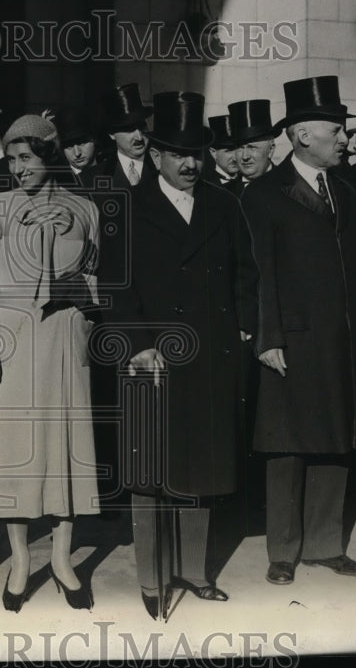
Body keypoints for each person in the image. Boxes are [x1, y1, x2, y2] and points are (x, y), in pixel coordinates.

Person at [240, 75, 356, 587]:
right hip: (292, 339)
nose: (346, 138)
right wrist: (268, 337)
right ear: (304, 135)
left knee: (336, 437)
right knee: (288, 445)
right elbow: (257, 273)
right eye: (337, 129)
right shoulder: (263, 194)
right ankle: (282, 551)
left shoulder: (345, 193)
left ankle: (325, 544)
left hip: (343, 339)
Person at [114, 91, 258, 618]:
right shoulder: (129, 209)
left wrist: (244, 332)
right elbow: (117, 287)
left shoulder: (223, 204)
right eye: (178, 154)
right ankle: (152, 581)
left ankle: (194, 572)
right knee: (151, 473)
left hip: (211, 356)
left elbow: (246, 274)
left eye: (196, 152)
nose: (191, 163)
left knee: (202, 466)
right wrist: (140, 343)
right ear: (155, 156)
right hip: (150, 361)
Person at [0, 114, 101, 611]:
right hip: (14, 335)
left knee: (65, 444)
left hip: (67, 334)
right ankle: (21, 558)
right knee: (15, 445)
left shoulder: (85, 207)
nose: (18, 167)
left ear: (50, 154)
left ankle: (64, 559)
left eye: (27, 157)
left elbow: (96, 280)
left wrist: (76, 241)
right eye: (11, 158)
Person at [101, 83, 156, 189]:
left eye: (142, 127)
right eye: (129, 130)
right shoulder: (94, 177)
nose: (139, 137)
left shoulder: (164, 171)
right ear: (111, 134)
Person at [227, 98, 279, 196]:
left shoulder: (292, 186)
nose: (245, 156)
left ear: (271, 150)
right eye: (240, 148)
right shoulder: (224, 194)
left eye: (252, 147)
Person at [53, 106, 102, 190]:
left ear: (94, 140)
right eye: (69, 146)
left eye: (82, 143)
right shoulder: (56, 182)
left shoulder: (112, 172)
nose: (77, 153)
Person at [205, 113, 240, 186]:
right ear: (213, 152)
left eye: (239, 149)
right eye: (229, 150)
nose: (235, 158)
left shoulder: (251, 181)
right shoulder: (204, 186)